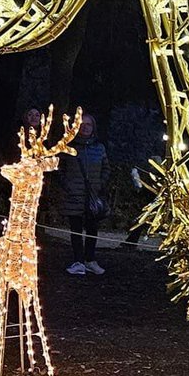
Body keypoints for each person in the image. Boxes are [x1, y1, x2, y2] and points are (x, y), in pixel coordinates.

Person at [62, 112, 110, 276]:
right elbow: (60, 169)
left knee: (92, 229)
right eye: (82, 124)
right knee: (75, 229)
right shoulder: (68, 146)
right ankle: (78, 261)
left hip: (92, 195)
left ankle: (90, 259)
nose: (84, 127)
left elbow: (106, 168)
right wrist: (67, 185)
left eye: (88, 124)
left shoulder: (99, 147)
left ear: (93, 127)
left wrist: (100, 184)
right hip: (74, 194)